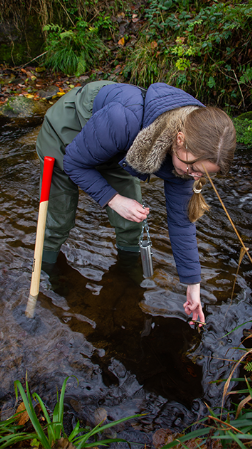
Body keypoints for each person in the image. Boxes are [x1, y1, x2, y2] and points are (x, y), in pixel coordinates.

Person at [35, 81, 237, 327]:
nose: (195, 177)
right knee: (60, 221)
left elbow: (181, 222)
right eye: (194, 169)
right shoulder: (124, 120)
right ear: (179, 140)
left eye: (205, 174)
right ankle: (47, 276)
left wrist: (193, 285)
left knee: (131, 225)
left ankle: (127, 280)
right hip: (68, 134)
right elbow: (74, 163)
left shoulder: (190, 153)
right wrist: (114, 199)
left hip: (116, 147)